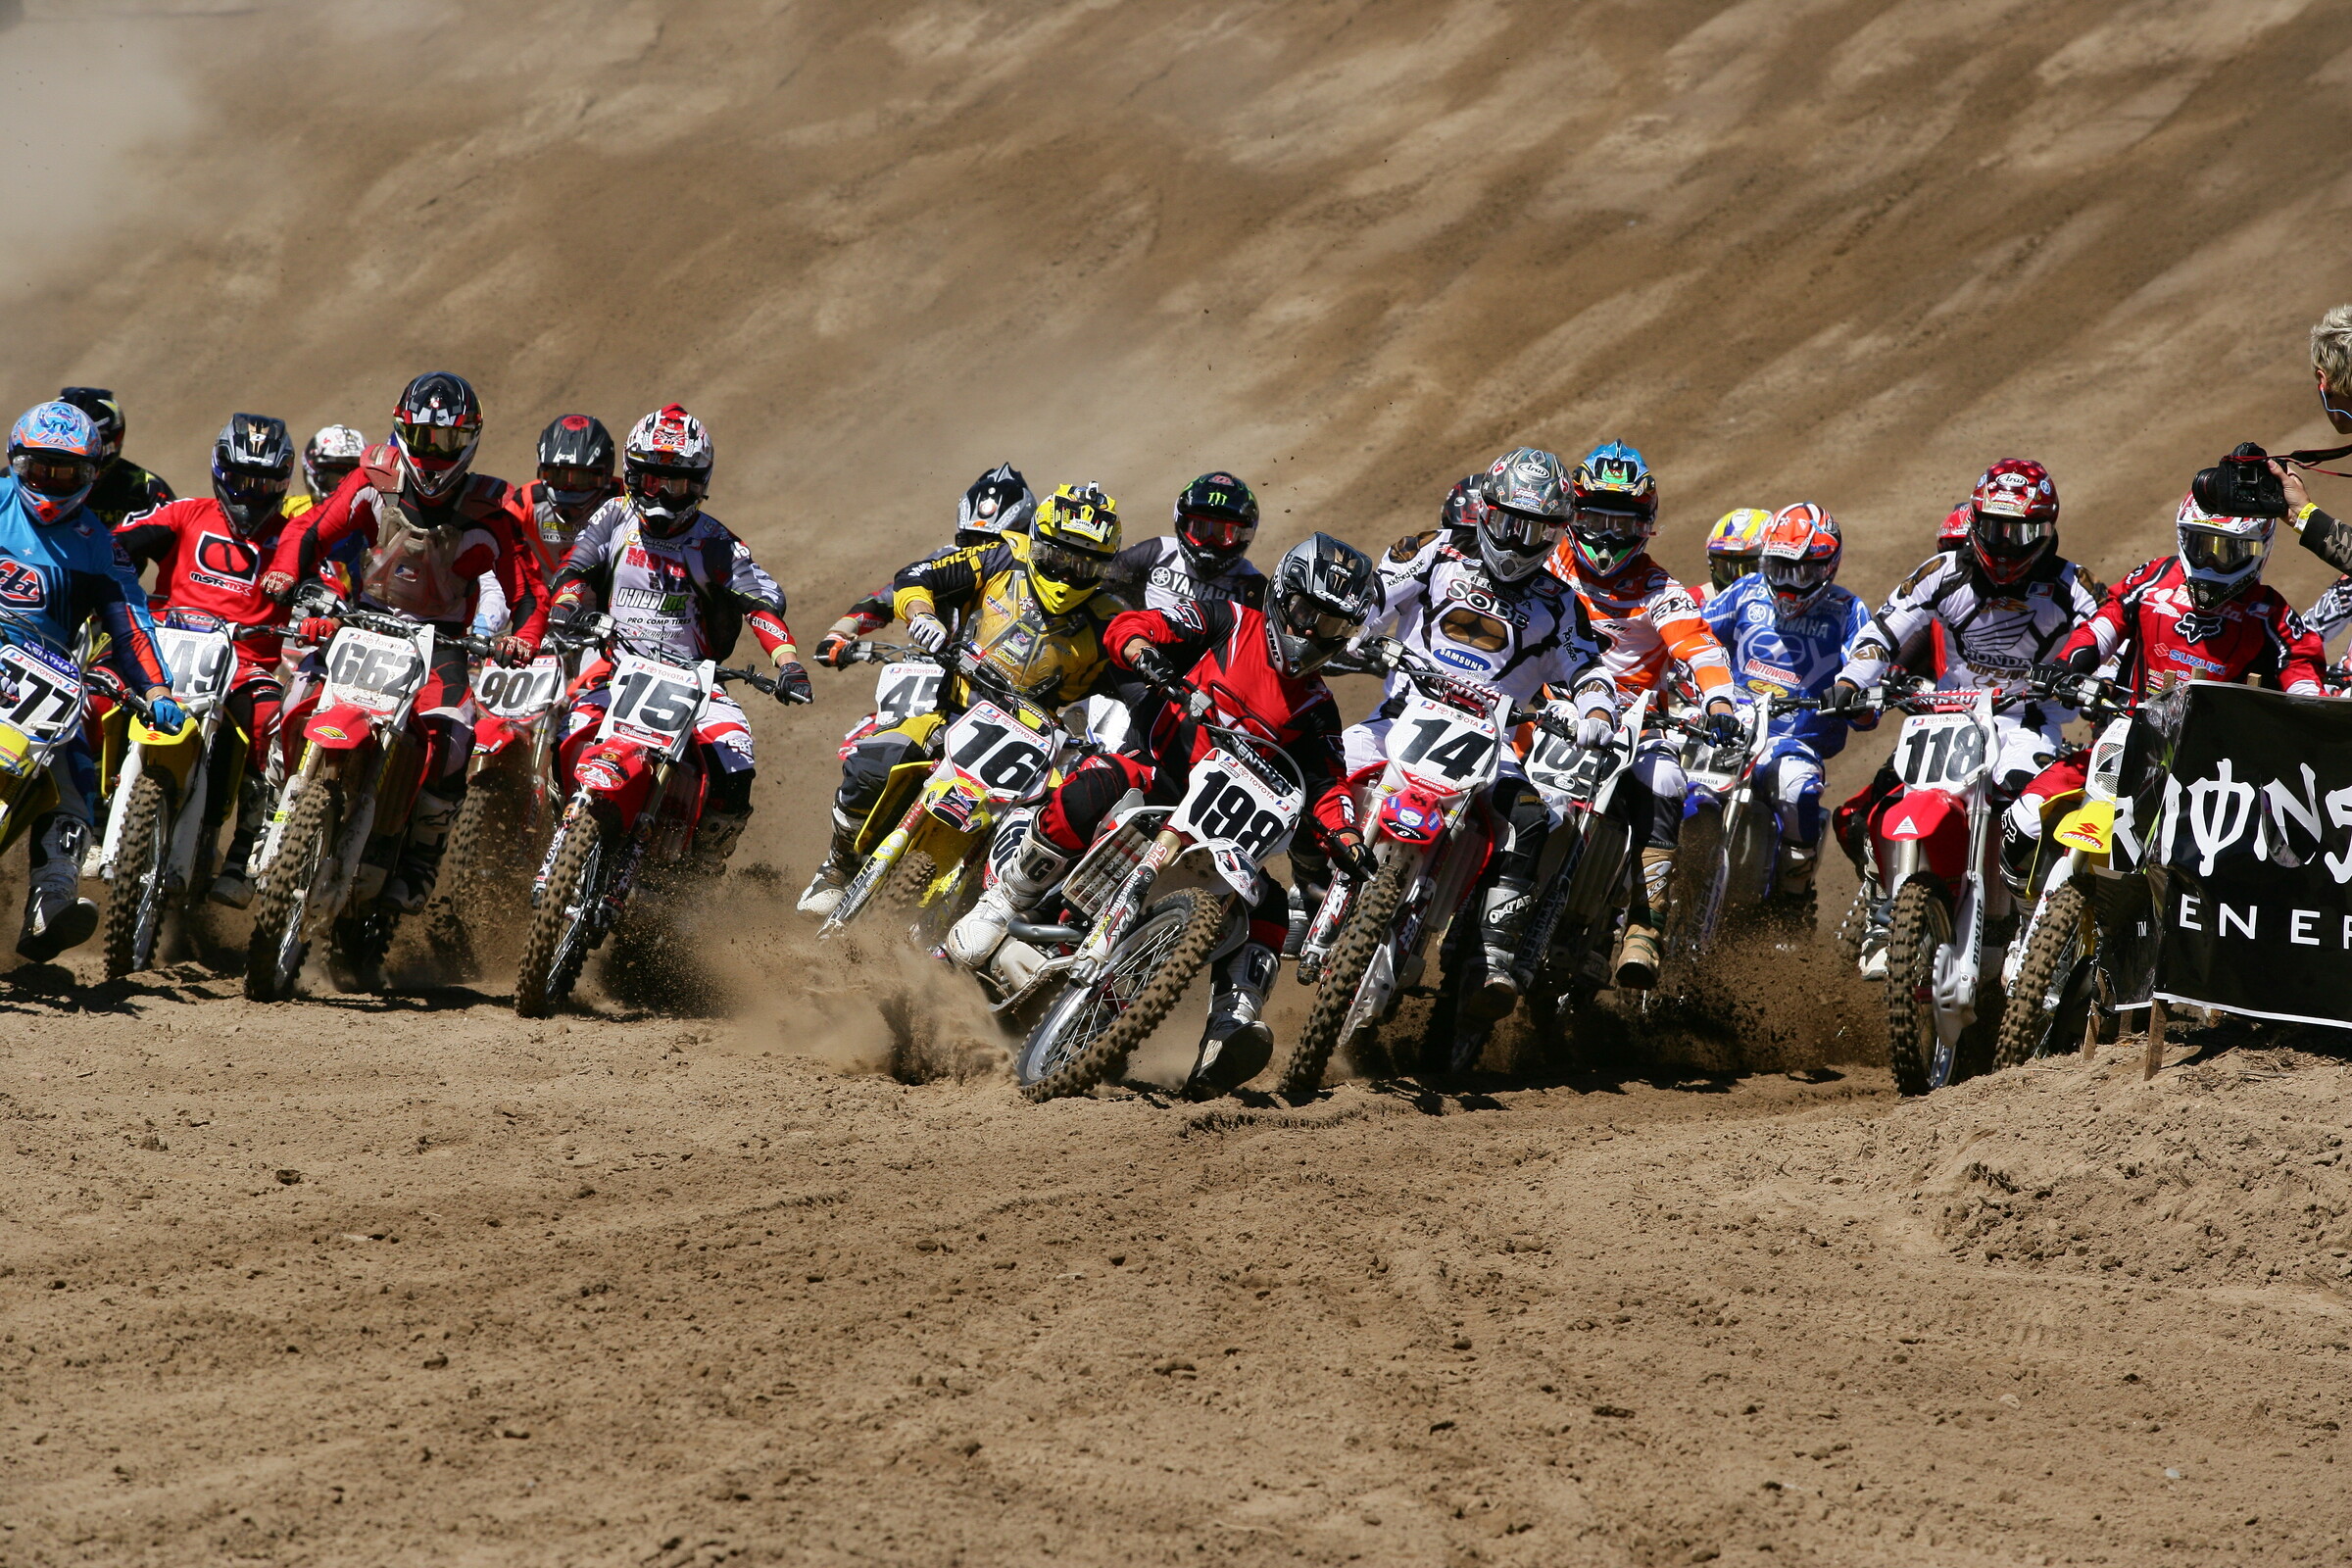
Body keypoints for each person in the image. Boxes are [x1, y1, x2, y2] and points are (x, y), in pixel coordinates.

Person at [951, 534, 1382, 1095]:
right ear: (1281, 595)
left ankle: (1230, 1027)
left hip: (1226, 827)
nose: (1310, 632)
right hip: (1161, 774)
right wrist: (1143, 652)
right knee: (1098, 783)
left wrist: (1345, 832)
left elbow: (1327, 782)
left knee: (1270, 902)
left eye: (1330, 625)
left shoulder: (1318, 707)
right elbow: (1133, 626)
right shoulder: (1228, 621)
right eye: (1306, 613)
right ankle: (1005, 899)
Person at [258, 371, 547, 912]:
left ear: (470, 441)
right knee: (296, 695)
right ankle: (272, 809)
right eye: (422, 437)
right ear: (401, 431)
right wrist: (284, 572)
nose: (433, 453)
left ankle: (420, 856)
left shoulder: (490, 509)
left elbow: (528, 591)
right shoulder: (373, 478)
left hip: (442, 643)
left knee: (455, 736)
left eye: (448, 441)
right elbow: (311, 529)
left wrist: (523, 639)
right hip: (363, 621)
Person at [1347, 447, 1617, 1025]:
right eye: (1510, 524)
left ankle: (1494, 958)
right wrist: (1358, 633)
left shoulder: (1561, 603)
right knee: (1328, 764)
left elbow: (1589, 670)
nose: (1520, 542)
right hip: (1399, 716)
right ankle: (1306, 895)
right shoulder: (1432, 551)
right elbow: (1371, 598)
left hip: (1490, 742)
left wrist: (1595, 713)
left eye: (1538, 531)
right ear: (1486, 511)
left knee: (1531, 818)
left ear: (1558, 534)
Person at [799, 481, 1125, 916]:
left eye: (1082, 566)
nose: (1066, 575)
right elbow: (916, 575)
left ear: (1103, 568)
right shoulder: (1001, 557)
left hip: (1035, 747)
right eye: (1058, 558)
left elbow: (1138, 684)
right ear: (1037, 543)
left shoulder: (1111, 617)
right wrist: (923, 616)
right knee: (871, 764)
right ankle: (837, 867)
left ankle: (996, 921)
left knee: (1051, 833)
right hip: (953, 713)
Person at [1829, 459, 2101, 977]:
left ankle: (2031, 931)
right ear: (1975, 521)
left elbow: (2112, 633)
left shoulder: (2072, 583)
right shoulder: (1942, 572)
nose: (2006, 545)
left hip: (2025, 721)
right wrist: (1852, 681)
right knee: (1882, 797)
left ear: (2047, 531)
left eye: (2022, 533)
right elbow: (1884, 628)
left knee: (2024, 809)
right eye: (1995, 528)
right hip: (1946, 717)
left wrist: (2094, 680)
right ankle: (1883, 909)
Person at [2012, 458, 2326, 885]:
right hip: (2128, 737)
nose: (2211, 560)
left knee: (2242, 869)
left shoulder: (2270, 611)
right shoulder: (2153, 578)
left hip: (2216, 768)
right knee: (2023, 820)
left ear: (2258, 548)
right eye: (2201, 544)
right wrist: (2067, 664)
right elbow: (2105, 623)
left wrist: (2309, 709)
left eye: (2228, 550)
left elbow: (2301, 666)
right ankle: (2020, 920)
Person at [543, 405, 810, 868]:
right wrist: (567, 606)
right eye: (652, 481)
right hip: (617, 666)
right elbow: (574, 568)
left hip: (696, 682)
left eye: (678, 484)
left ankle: (702, 869)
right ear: (632, 476)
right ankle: (567, 820)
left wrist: (788, 663)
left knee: (735, 765)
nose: (664, 495)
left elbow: (760, 606)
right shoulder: (613, 516)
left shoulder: (718, 543)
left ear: (700, 484)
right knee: (564, 731)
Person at [1549, 441, 1742, 989]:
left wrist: (1719, 702)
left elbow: (1701, 647)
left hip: (1633, 725)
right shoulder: (1547, 565)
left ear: (1646, 526)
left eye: (1623, 523)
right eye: (1595, 519)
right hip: (1543, 710)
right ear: (1573, 514)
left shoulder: (1660, 589)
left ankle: (1644, 925)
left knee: (1666, 780)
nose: (1607, 535)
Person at [0, 402, 180, 960]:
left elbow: (132, 625)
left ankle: (51, 898)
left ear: (91, 476)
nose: (51, 482)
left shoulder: (100, 546)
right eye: (40, 469)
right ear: (16, 461)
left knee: (76, 761)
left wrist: (157, 690)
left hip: (43, 677)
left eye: (67, 473)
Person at [113, 414, 301, 907]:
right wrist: (109, 560)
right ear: (220, 471)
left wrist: (322, 612)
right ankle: (85, 817)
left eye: (264, 483)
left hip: (246, 662)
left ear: (283, 482)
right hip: (164, 642)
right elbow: (121, 539)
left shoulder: (293, 538)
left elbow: (329, 585)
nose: (250, 494)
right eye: (240, 479)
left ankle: (245, 852)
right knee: (96, 691)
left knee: (271, 723)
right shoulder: (186, 513)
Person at [1698, 504, 1870, 907]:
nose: (1788, 583)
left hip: (1795, 740)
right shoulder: (1746, 590)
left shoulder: (1847, 611)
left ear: (1828, 566)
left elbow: (1866, 666)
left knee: (1798, 789)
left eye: (1802, 572)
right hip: (1732, 723)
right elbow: (1697, 634)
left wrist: (1855, 698)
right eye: (1778, 567)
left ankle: (1792, 900)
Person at [810, 463, 1036, 667]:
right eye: (973, 540)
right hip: (939, 670)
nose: (982, 552)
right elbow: (886, 599)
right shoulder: (949, 560)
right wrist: (839, 634)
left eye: (996, 544)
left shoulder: (1040, 575)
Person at [473, 415, 622, 638]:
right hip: (547, 619)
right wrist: (486, 624)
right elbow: (497, 570)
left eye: (580, 479)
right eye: (558, 476)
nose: (568, 488)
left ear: (605, 474)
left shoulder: (625, 501)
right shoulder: (524, 503)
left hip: (611, 621)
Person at [1100, 470, 1267, 612]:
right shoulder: (1155, 552)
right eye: (1200, 530)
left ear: (1245, 536)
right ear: (1181, 522)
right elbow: (1098, 585)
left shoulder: (1254, 587)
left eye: (1224, 535)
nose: (1210, 543)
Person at [55, 387, 173, 527]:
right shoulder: (36, 480)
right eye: (69, 440)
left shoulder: (147, 487)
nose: (81, 452)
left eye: (93, 442)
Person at [284, 425, 368, 520]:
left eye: (355, 478)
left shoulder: (376, 516)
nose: (345, 488)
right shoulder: (285, 512)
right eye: (336, 477)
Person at [1695, 507, 1773, 603]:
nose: (1736, 583)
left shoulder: (1785, 606)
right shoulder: (1697, 600)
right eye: (1725, 570)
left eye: (1747, 570)